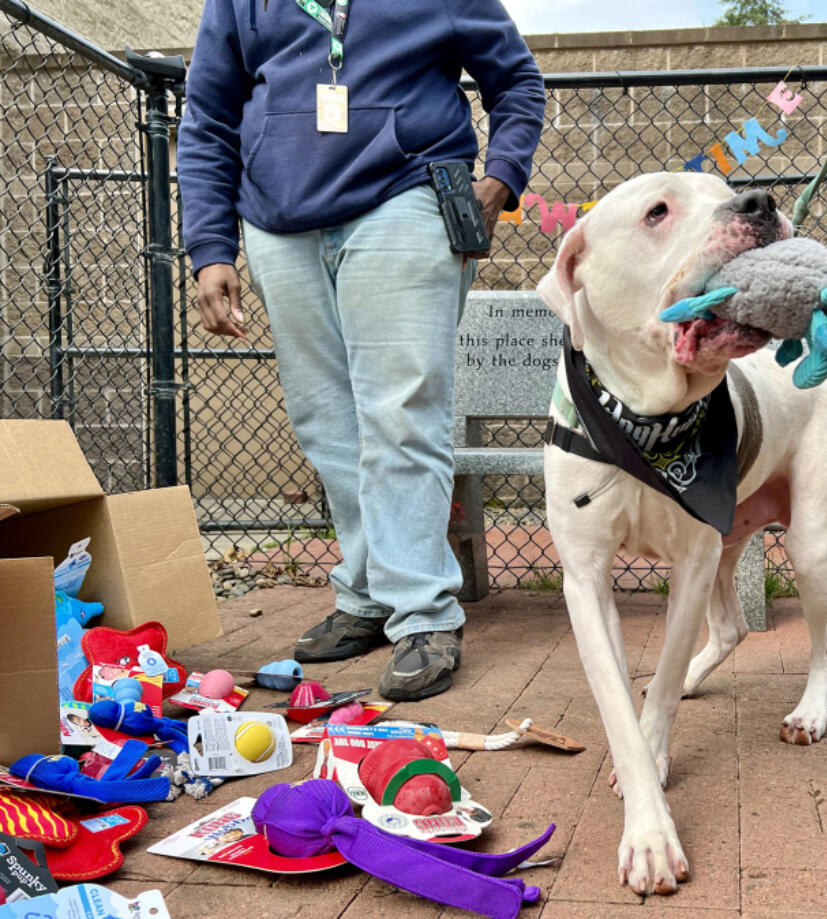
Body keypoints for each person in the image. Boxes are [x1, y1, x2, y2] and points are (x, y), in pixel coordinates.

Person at [177, 1, 546, 701]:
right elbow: (209, 117)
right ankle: (372, 593)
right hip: (278, 224)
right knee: (326, 418)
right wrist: (209, 247)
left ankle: (426, 613)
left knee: (401, 409)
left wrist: (501, 176)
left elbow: (517, 83)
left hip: (403, 198)